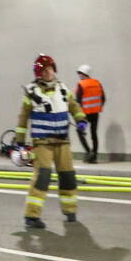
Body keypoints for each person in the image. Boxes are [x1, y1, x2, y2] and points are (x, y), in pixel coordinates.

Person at [14, 55, 87, 229]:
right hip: (42, 143)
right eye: (44, 70)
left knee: (68, 176)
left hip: (62, 141)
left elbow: (74, 107)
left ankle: (70, 211)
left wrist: (81, 120)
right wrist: (20, 142)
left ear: (54, 69)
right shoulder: (32, 92)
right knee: (42, 177)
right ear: (39, 74)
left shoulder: (63, 89)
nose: (48, 73)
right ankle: (31, 216)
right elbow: (23, 119)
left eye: (50, 69)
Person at [74, 64, 105, 163]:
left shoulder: (81, 85)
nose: (79, 75)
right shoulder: (97, 83)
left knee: (80, 132)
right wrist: (97, 107)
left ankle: (88, 153)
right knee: (94, 134)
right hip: (95, 114)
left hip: (84, 116)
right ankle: (94, 155)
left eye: (80, 73)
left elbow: (77, 101)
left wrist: (77, 115)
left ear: (84, 73)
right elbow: (103, 98)